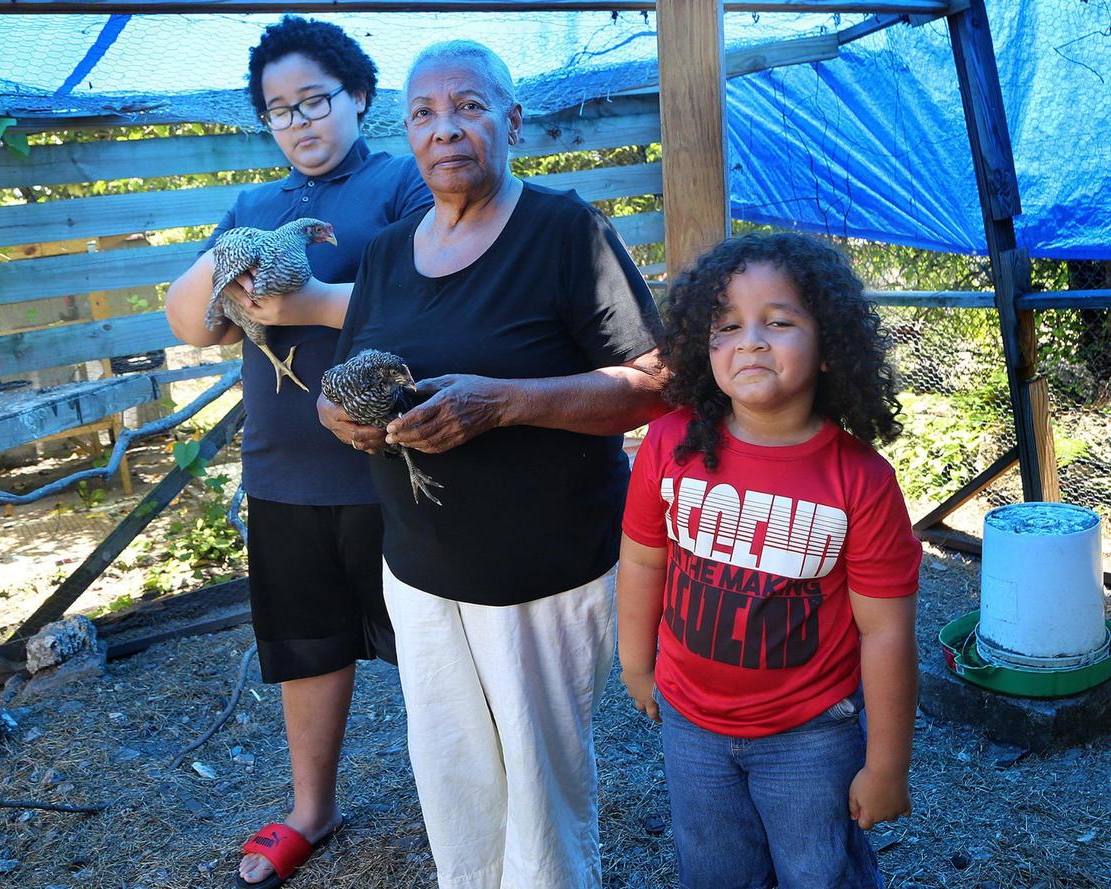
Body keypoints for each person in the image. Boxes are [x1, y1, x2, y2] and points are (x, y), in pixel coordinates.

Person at [317, 40, 667, 889]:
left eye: (470, 107)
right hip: (420, 564)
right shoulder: (390, 251)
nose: (448, 130)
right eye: (426, 115)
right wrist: (342, 417)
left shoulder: (563, 229)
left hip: (541, 567)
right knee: (451, 773)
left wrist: (503, 400)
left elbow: (655, 383)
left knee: (540, 786)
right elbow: (350, 377)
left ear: (511, 122)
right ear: (407, 136)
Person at [163, 16, 431, 889]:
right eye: (280, 110)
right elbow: (189, 322)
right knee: (308, 644)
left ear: (358, 95)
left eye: (315, 99)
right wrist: (227, 253)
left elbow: (429, 301)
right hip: (285, 465)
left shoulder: (401, 185)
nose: (301, 121)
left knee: (430, 644)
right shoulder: (253, 205)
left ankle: (462, 793)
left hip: (389, 456)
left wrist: (311, 302)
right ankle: (311, 807)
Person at [618, 232, 921, 889]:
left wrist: (887, 764)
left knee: (819, 871)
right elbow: (643, 561)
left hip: (810, 735)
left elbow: (886, 630)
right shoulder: (668, 444)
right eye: (726, 325)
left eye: (778, 321)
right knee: (716, 867)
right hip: (690, 724)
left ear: (831, 345)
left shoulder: (861, 480)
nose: (750, 340)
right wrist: (637, 662)